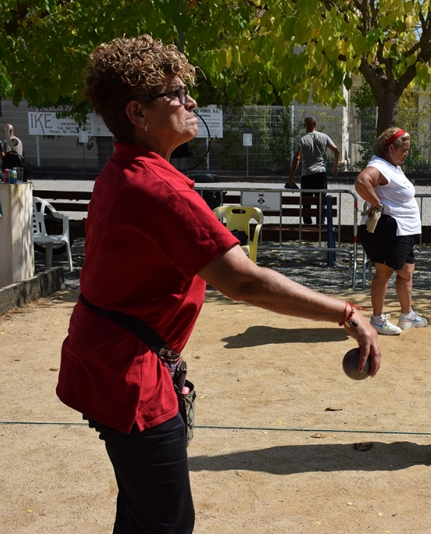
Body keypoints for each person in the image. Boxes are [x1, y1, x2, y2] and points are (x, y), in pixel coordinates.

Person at [56, 35, 381, 534]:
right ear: (138, 112)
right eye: (176, 93)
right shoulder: (158, 187)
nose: (191, 102)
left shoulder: (123, 169)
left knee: (141, 513)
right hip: (130, 380)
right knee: (166, 522)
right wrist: (347, 313)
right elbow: (245, 282)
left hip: (110, 365)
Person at [355, 127, 426, 335]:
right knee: (383, 274)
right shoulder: (379, 166)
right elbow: (361, 181)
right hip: (391, 229)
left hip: (405, 231)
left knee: (406, 272)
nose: (406, 154)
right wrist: (376, 204)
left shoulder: (392, 166)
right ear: (390, 148)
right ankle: (377, 319)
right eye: (403, 150)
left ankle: (407, 314)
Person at [285, 116, 340, 224]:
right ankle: (320, 225)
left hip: (307, 175)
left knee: (306, 203)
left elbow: (297, 158)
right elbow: (336, 150)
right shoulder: (324, 137)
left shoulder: (302, 140)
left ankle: (307, 225)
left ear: (305, 126)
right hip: (320, 174)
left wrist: (291, 177)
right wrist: (335, 165)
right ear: (315, 125)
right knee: (321, 202)